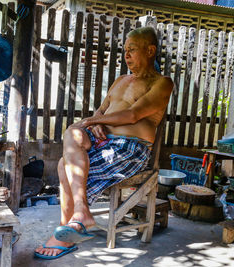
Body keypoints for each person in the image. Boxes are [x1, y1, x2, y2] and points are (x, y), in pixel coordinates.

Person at [34, 26, 173, 260]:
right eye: (125, 50)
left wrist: (93, 120)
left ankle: (67, 230)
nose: (126, 55)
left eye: (132, 50)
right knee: (73, 132)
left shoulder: (162, 82)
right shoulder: (120, 80)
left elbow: (132, 115)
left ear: (150, 50)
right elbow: (101, 111)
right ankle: (79, 215)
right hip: (103, 142)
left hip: (129, 149)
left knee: (62, 166)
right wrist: (95, 123)